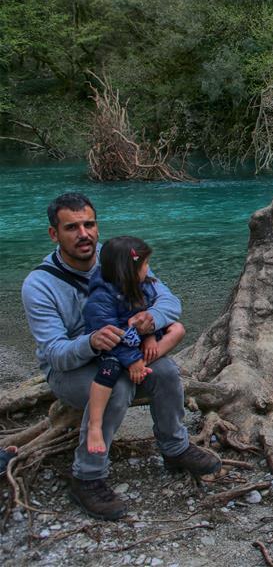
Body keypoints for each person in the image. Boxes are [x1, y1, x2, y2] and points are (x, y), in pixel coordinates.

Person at [21, 193, 220, 521]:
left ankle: (175, 448)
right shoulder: (39, 284)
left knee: (167, 372)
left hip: (123, 352)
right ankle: (87, 476)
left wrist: (150, 320)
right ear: (54, 234)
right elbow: (55, 354)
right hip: (72, 369)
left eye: (89, 224)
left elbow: (169, 301)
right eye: (72, 228)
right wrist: (91, 342)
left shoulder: (119, 257)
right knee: (117, 388)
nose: (84, 234)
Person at [83, 236, 186, 456]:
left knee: (177, 330)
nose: (149, 269)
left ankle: (176, 448)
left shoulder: (143, 285)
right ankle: (94, 425)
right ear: (129, 271)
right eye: (145, 265)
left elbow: (150, 313)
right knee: (108, 373)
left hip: (135, 341)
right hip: (110, 348)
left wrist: (150, 335)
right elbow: (111, 337)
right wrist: (132, 360)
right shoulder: (101, 298)